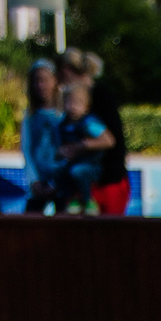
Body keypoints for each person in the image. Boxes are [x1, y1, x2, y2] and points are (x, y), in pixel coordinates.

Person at [58, 48, 131, 217]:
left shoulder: (99, 96)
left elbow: (111, 140)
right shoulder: (86, 99)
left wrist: (78, 147)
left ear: (66, 71)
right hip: (89, 182)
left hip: (108, 182)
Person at [45, 78, 115, 214]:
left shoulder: (89, 124)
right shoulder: (62, 123)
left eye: (78, 103)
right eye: (69, 102)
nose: (73, 106)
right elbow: (57, 147)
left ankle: (88, 200)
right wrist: (61, 152)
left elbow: (109, 141)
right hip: (70, 163)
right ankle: (72, 197)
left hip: (90, 165)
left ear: (86, 107)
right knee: (56, 169)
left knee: (78, 171)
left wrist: (82, 145)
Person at [19, 60, 66, 215]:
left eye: (44, 80)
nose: (41, 85)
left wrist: (57, 182)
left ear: (54, 81)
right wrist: (34, 181)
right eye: (37, 81)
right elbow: (26, 148)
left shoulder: (64, 113)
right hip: (37, 184)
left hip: (61, 184)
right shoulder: (30, 115)